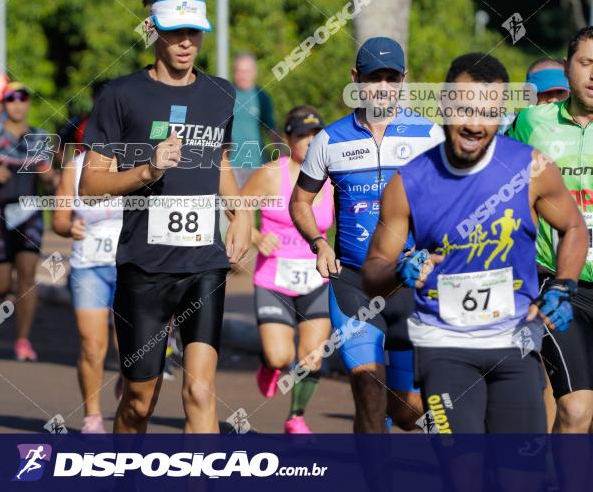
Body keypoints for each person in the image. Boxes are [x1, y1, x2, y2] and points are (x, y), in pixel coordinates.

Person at [362, 52, 584, 489]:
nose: (475, 124)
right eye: (465, 108)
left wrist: (563, 284)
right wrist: (401, 268)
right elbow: (372, 271)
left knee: (521, 478)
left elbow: (574, 226)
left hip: (515, 345)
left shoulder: (531, 168)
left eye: (488, 112)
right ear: (444, 105)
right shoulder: (409, 181)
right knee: (464, 473)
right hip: (443, 346)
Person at [80, 0, 252, 433]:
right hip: (144, 265)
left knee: (199, 390)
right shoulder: (121, 95)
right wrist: (148, 170)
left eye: (194, 33)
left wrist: (240, 213)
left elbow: (220, 164)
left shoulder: (220, 93)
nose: (185, 43)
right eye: (175, 33)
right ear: (154, 30)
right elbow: (89, 187)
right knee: (139, 401)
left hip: (203, 264)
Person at [290, 36, 444, 433]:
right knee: (367, 390)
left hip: (410, 284)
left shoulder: (428, 136)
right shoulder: (329, 140)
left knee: (407, 412)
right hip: (353, 284)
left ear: (404, 80)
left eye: (392, 79)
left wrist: (437, 253)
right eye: (375, 78)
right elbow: (300, 202)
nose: (383, 88)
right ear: (356, 79)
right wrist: (318, 243)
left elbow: (452, 203)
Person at [508, 27, 593, 485]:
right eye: (587, 64)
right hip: (562, 286)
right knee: (575, 408)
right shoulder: (531, 124)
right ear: (568, 68)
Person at [243, 106, 333, 433]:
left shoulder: (331, 178)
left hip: (316, 278)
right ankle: (270, 366)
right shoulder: (271, 174)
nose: (310, 141)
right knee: (281, 356)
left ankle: (296, 418)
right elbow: (235, 207)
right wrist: (255, 236)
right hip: (274, 279)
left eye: (315, 135)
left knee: (313, 356)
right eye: (302, 135)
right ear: (287, 138)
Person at [0, 81, 56, 362]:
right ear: (4, 103)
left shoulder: (39, 137)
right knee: (1, 283)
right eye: (12, 98)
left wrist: (50, 177)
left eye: (23, 98)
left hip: (30, 213)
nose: (18, 103)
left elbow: (49, 177)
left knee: (26, 277)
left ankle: (22, 340)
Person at [52, 147, 122, 433]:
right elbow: (59, 219)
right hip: (89, 266)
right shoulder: (76, 166)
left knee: (133, 348)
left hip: (131, 268)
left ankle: (127, 381)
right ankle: (92, 417)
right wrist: (70, 228)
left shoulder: (140, 160)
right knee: (92, 348)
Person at [229, 53, 279, 189]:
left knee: (253, 207)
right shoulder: (226, 94)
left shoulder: (261, 96)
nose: (243, 75)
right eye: (239, 71)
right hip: (230, 164)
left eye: (247, 71)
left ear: (254, 73)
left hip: (256, 163)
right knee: (231, 206)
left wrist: (283, 155)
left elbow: (271, 128)